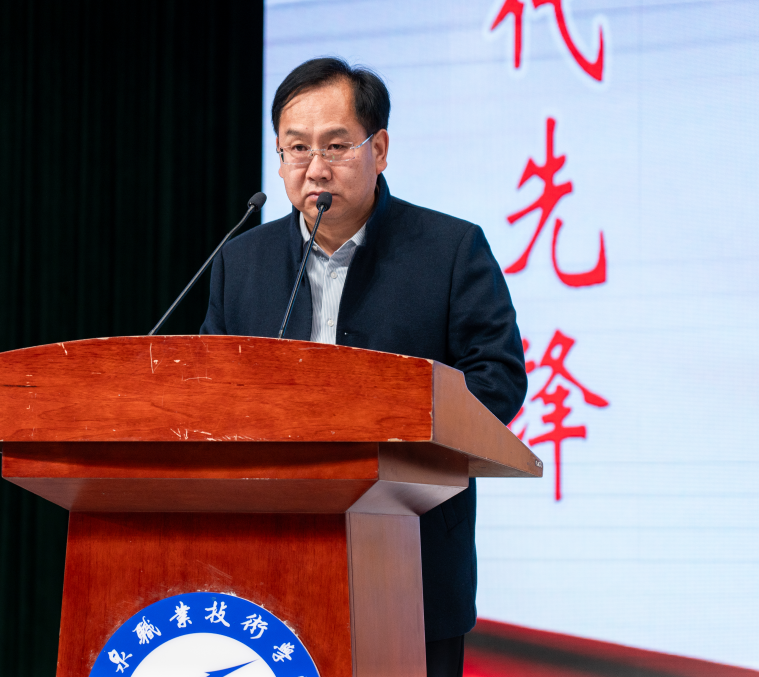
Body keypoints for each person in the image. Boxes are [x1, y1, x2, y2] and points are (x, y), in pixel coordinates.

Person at [200, 57, 528, 677]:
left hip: (412, 559)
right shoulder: (239, 262)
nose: (315, 167)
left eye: (335, 145)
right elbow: (206, 392)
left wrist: (392, 428)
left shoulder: (450, 250)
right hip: (263, 563)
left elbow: (498, 378)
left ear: (378, 149)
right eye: (297, 147)